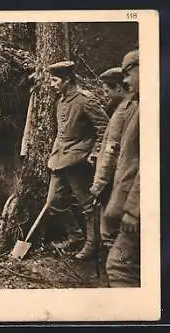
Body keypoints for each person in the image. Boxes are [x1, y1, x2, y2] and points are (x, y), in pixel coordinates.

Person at [45, 61, 109, 259]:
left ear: (67, 79)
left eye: (55, 80)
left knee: (87, 205)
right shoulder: (60, 102)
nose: (52, 84)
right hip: (59, 159)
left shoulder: (85, 100)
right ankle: (75, 236)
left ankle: (93, 244)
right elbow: (61, 132)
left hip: (79, 161)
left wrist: (94, 154)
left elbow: (105, 128)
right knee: (53, 201)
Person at [104, 49, 140, 287]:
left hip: (136, 206)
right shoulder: (136, 105)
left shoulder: (138, 106)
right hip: (125, 196)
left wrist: (134, 209)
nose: (125, 80)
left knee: (119, 269)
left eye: (128, 73)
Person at [89, 67, 132, 257]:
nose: (105, 95)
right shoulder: (125, 108)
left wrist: (99, 183)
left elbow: (110, 151)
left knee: (109, 230)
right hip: (121, 177)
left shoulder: (123, 112)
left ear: (118, 89)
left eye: (107, 91)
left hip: (114, 178)